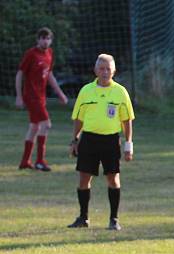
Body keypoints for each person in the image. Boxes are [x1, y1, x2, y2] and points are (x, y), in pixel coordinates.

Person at [67, 54, 134, 231]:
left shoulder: (120, 92)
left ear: (114, 71)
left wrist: (129, 144)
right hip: (88, 139)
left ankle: (114, 219)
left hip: (111, 140)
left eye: (108, 69)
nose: (105, 72)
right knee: (83, 178)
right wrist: (74, 140)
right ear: (95, 70)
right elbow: (79, 119)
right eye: (101, 69)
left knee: (113, 178)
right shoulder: (86, 91)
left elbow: (127, 120)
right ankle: (83, 217)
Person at [15, 27, 69, 172]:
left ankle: (25, 162)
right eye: (43, 38)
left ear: (51, 41)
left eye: (48, 38)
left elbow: (49, 75)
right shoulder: (31, 54)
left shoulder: (50, 54)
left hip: (41, 96)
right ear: (38, 39)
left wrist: (60, 94)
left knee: (34, 127)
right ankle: (40, 161)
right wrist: (19, 96)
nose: (45, 41)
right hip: (31, 96)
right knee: (46, 124)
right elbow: (20, 74)